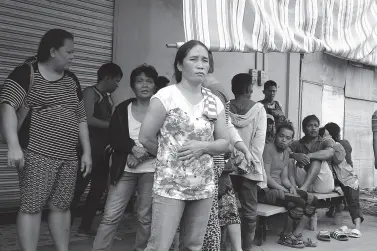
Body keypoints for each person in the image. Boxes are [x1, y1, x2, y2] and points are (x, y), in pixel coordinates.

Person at [0, 29, 92, 251]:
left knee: (61, 206)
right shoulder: (25, 73)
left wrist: (87, 151)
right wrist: (13, 146)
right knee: (32, 206)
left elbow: (80, 117)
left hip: (68, 156)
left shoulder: (71, 79)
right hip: (36, 154)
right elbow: (7, 107)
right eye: (69, 51)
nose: (73, 56)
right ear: (53, 51)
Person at [139, 40, 229, 251]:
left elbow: (224, 142)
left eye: (205, 60)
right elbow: (145, 137)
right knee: (159, 246)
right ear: (180, 65)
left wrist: (203, 147)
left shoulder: (213, 101)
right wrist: (168, 156)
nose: (200, 65)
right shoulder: (166, 96)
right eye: (194, 59)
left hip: (203, 186)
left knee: (193, 246)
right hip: (170, 186)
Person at [92, 64, 158, 251]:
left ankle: (140, 248)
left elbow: (168, 140)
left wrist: (141, 156)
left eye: (149, 81)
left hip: (151, 170)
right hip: (124, 168)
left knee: (144, 216)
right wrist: (131, 148)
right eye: (139, 81)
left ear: (154, 86)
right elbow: (113, 136)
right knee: (110, 215)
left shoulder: (161, 110)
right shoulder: (123, 108)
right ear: (132, 85)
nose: (144, 85)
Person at [201, 59, 253, 251]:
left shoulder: (214, 91)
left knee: (214, 215)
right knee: (217, 213)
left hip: (215, 164)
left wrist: (242, 149)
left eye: (204, 61)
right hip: (210, 164)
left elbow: (226, 125)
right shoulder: (177, 95)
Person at [70, 63, 123, 236]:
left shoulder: (108, 98)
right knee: (77, 190)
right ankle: (65, 227)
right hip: (87, 150)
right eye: (116, 80)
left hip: (103, 152)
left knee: (97, 190)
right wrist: (113, 126)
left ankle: (85, 227)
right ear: (107, 77)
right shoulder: (90, 93)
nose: (117, 85)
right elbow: (87, 119)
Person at [260, 123, 318, 248]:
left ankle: (296, 234)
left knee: (312, 199)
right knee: (297, 201)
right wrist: (284, 190)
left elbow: (284, 178)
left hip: (280, 188)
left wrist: (291, 187)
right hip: (266, 190)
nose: (284, 140)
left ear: (291, 140)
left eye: (288, 138)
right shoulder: (268, 148)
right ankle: (285, 236)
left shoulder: (287, 152)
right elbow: (267, 177)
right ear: (276, 136)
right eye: (281, 136)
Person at [228, 73, 267, 251]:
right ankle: (246, 248)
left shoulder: (225, 107)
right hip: (249, 168)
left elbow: (225, 136)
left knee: (226, 210)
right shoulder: (259, 109)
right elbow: (259, 143)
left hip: (228, 167)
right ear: (249, 88)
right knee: (250, 213)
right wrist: (247, 163)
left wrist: (235, 161)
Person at [322, 123, 363, 237]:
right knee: (338, 197)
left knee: (353, 202)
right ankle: (332, 211)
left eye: (326, 134)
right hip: (337, 180)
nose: (324, 137)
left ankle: (357, 227)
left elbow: (341, 160)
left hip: (349, 179)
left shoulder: (340, 145)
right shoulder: (325, 147)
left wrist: (331, 147)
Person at [288, 115, 335, 194]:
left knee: (316, 161)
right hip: (302, 182)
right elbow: (286, 151)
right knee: (290, 159)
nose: (313, 128)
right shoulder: (297, 143)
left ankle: (304, 189)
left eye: (316, 126)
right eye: (310, 125)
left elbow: (329, 153)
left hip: (323, 184)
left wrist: (309, 155)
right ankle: (295, 188)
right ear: (303, 129)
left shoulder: (325, 141)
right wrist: (294, 155)